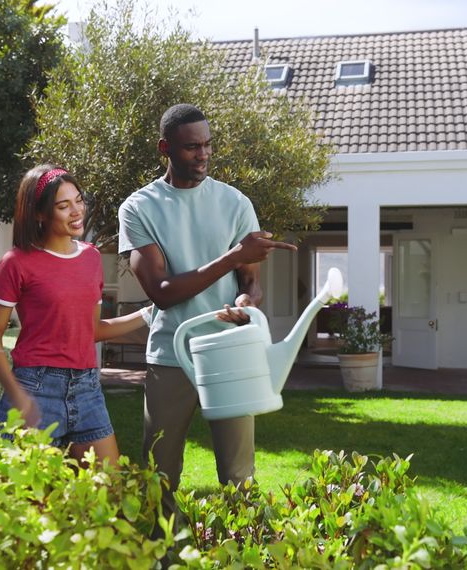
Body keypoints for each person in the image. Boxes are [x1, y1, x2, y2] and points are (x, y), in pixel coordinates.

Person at [118, 103, 297, 515]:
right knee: (158, 475)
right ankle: (164, 557)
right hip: (171, 353)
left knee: (239, 477)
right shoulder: (139, 207)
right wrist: (233, 257)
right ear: (165, 148)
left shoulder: (235, 203)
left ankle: (240, 555)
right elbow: (161, 291)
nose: (203, 155)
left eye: (208, 145)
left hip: (228, 354)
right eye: (191, 147)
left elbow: (250, 281)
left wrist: (246, 301)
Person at [0, 164, 151, 466]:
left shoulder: (91, 257)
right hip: (35, 387)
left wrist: (148, 314)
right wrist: (18, 396)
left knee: (107, 496)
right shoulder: (16, 263)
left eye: (79, 200)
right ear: (40, 214)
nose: (77, 211)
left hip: (87, 389)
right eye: (64, 205)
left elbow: (93, 330)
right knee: (31, 505)